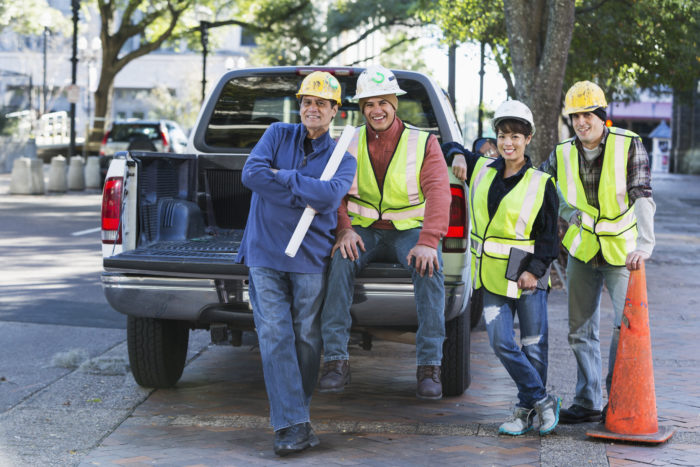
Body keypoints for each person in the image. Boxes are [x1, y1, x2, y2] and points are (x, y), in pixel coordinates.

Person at [236, 71, 356, 455]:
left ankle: (295, 417)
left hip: (309, 256)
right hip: (263, 250)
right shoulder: (275, 134)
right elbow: (252, 174)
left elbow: (329, 197)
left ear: (335, 110)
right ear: (299, 106)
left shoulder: (344, 158)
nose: (312, 108)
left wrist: (284, 177)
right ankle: (292, 424)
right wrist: (304, 190)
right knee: (274, 334)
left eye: (321, 103)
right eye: (307, 101)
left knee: (306, 335)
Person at [318, 64, 452, 400]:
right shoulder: (347, 141)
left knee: (430, 268)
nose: (376, 110)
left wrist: (428, 241)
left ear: (394, 103)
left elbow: (439, 192)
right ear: (361, 108)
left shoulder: (424, 142)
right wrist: (344, 231)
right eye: (368, 104)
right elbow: (334, 192)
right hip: (362, 231)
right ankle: (335, 362)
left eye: (383, 102)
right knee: (339, 265)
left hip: (409, 232)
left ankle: (430, 368)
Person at [540, 81, 656, 424]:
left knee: (626, 329)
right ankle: (588, 399)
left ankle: (616, 400)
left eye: (587, 114)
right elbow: (539, 185)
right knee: (580, 329)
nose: (581, 122)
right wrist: (564, 212)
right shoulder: (562, 153)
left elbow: (642, 195)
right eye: (575, 116)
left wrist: (644, 246)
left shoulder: (628, 144)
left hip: (622, 252)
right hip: (582, 250)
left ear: (601, 116)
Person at [443, 100, 561, 435]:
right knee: (500, 341)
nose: (509, 143)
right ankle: (543, 399)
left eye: (516, 136)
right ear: (496, 139)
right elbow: (446, 144)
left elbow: (549, 238)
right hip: (493, 278)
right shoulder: (481, 168)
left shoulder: (542, 182)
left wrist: (534, 271)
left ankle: (524, 412)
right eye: (503, 136)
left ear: (528, 139)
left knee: (534, 344)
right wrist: (456, 154)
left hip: (527, 277)